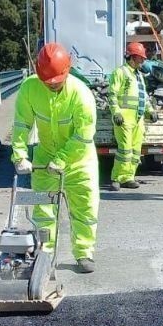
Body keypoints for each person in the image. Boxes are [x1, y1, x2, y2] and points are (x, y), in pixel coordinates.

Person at [9, 42, 100, 273]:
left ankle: (84, 252)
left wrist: (60, 160)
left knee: (85, 208)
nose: (52, 86)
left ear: (67, 72)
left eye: (56, 83)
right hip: (45, 157)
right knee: (43, 208)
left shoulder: (81, 94)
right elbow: (22, 124)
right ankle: (44, 254)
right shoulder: (30, 88)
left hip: (79, 160)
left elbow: (83, 136)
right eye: (47, 82)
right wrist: (19, 154)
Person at [108, 42, 157, 191]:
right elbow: (112, 94)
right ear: (133, 57)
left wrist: (151, 110)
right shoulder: (121, 72)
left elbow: (144, 97)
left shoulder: (138, 76)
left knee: (135, 151)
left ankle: (129, 177)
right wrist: (116, 112)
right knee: (124, 150)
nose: (143, 61)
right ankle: (116, 178)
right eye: (141, 58)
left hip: (138, 119)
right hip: (124, 119)